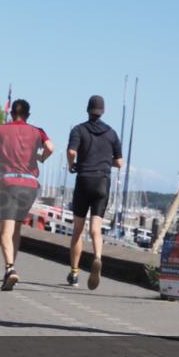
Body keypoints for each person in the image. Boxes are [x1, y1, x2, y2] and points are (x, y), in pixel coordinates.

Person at [0, 99, 54, 290]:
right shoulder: (37, 130)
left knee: (5, 232)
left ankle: (10, 268)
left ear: (10, 114)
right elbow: (50, 147)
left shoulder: (1, 130)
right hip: (30, 185)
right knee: (16, 229)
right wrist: (41, 157)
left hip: (10, 183)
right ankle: (10, 268)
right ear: (28, 115)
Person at [66, 95, 124, 290]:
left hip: (84, 180)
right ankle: (98, 257)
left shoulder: (78, 130)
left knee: (78, 230)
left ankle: (74, 273)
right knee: (95, 229)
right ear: (103, 111)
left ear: (88, 110)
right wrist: (107, 160)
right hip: (102, 183)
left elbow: (72, 152)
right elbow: (120, 162)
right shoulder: (112, 133)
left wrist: (71, 164)